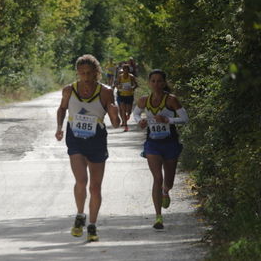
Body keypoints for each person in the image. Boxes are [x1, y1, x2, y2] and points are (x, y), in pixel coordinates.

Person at [55, 54, 120, 241]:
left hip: (97, 140)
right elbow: (61, 109)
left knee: (95, 187)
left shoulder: (106, 92)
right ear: (77, 73)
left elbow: (116, 123)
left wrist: (115, 115)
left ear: (96, 73)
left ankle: (92, 225)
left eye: (89, 73)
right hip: (75, 138)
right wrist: (59, 128)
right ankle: (79, 215)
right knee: (81, 180)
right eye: (82, 73)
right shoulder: (69, 90)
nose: (86, 76)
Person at [132, 69, 189, 229]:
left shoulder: (171, 100)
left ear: (164, 83)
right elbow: (135, 114)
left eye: (159, 81)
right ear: (149, 83)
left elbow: (185, 119)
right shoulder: (144, 100)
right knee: (157, 178)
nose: (156, 84)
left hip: (170, 143)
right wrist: (140, 122)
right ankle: (158, 217)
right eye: (153, 81)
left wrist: (167, 120)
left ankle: (166, 191)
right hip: (152, 144)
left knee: (168, 181)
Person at [115, 64, 138, 131]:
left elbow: (136, 85)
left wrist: (132, 88)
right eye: (124, 70)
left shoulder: (131, 77)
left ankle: (128, 116)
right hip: (122, 95)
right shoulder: (120, 77)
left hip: (129, 95)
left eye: (127, 70)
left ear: (128, 70)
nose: (125, 71)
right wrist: (118, 87)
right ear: (123, 70)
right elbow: (116, 84)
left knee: (129, 111)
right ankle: (125, 125)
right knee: (123, 110)